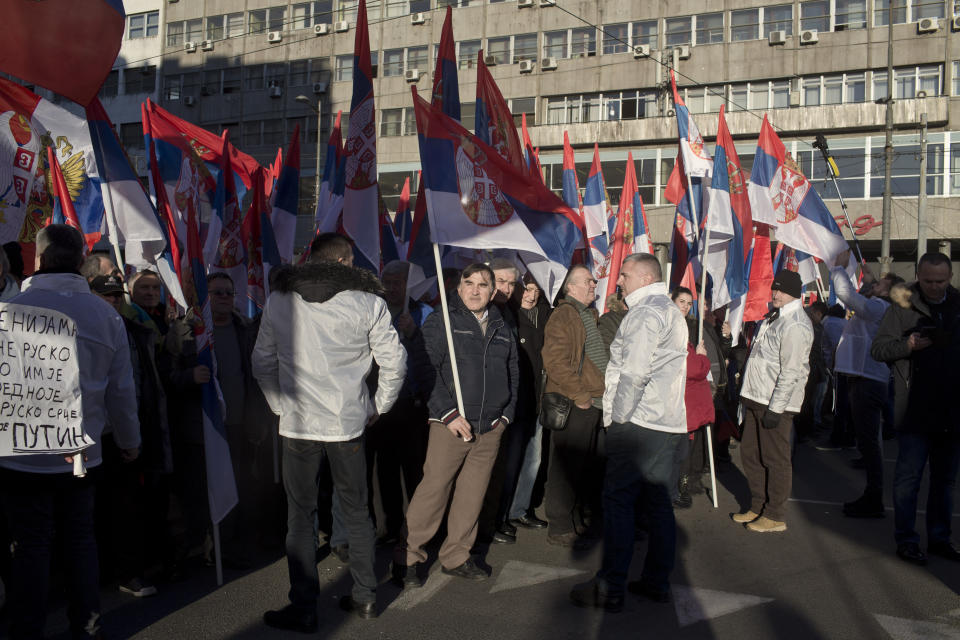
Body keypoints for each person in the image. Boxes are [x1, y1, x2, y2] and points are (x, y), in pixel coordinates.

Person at [0, 225, 140, 639]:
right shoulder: (105, 315)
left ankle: (28, 628)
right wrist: (130, 442)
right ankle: (86, 623)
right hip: (82, 454)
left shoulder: (8, 312)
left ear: (37, 259)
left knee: (31, 545)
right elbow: (122, 391)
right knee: (80, 539)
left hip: (20, 455)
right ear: (81, 260)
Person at [254, 260, 406, 629]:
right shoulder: (369, 302)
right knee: (357, 511)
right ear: (345, 265)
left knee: (301, 516)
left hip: (300, 424)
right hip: (346, 421)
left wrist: (279, 406)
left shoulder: (280, 300)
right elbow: (395, 362)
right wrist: (378, 406)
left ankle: (304, 606)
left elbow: (262, 360)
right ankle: (366, 596)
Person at [570, 253, 688, 611]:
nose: (617, 280)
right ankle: (656, 581)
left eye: (623, 274)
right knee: (658, 505)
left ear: (643, 276)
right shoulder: (668, 309)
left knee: (619, 503)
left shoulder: (645, 313)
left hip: (638, 422)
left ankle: (610, 586)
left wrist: (618, 419)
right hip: (665, 422)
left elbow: (634, 373)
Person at [394, 263, 518, 585]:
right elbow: (423, 366)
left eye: (482, 285)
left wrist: (505, 416)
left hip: (489, 428)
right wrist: (447, 413)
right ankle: (408, 557)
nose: (475, 290)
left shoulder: (501, 325)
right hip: (451, 425)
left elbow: (513, 374)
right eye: (469, 283)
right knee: (433, 492)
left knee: (472, 495)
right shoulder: (443, 320)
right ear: (459, 287)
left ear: (493, 292)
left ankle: (457, 556)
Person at [871, 252, 960, 565]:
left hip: (951, 411)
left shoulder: (957, 304)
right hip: (913, 411)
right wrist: (907, 347)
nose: (935, 287)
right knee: (908, 480)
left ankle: (940, 538)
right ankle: (907, 540)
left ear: (949, 278)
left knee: (945, 482)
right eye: (928, 281)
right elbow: (878, 350)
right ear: (918, 277)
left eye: (941, 281)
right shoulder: (902, 305)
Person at [90, 275, 171, 599]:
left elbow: (133, 388)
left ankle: (128, 571)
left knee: (126, 508)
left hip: (126, 434)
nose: (112, 301)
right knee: (93, 510)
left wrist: (132, 436)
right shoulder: (80, 330)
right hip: (89, 434)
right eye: (105, 296)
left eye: (115, 296)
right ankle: (97, 571)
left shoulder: (135, 333)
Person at [734, 270, 813, 533]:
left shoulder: (795, 324)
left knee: (775, 458)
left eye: (782, 290)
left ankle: (775, 513)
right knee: (751, 454)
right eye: (774, 289)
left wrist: (776, 408)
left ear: (795, 293)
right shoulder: (774, 317)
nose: (776, 294)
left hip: (774, 403)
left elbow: (790, 371)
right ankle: (758, 505)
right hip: (756, 397)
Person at [479, 260, 550, 544]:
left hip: (534, 400)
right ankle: (495, 518)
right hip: (508, 405)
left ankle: (516, 510)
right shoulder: (504, 314)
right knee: (504, 465)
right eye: (524, 288)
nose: (528, 294)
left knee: (530, 460)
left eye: (535, 289)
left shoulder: (541, 315)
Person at [828, 252, 902, 518]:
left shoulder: (879, 308)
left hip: (867, 380)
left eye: (880, 284)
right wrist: (868, 278)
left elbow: (848, 296)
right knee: (870, 441)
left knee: (869, 442)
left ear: (888, 292)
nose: (874, 284)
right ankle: (873, 495)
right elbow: (861, 295)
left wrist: (837, 268)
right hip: (865, 378)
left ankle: (873, 498)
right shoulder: (878, 305)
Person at [366, 261, 433, 546]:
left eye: (398, 282)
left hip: (412, 405)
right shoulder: (373, 310)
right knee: (385, 470)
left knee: (415, 469)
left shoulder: (424, 313)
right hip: (380, 403)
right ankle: (391, 526)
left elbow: (434, 357)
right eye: (388, 282)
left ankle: (418, 528)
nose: (392, 288)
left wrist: (414, 333)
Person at [541, 264, 607, 548]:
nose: (594, 285)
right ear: (570, 288)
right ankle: (558, 524)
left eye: (593, 281)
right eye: (587, 281)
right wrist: (580, 395)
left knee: (586, 467)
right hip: (576, 402)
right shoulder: (564, 315)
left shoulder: (588, 315)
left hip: (595, 402)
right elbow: (555, 361)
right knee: (566, 468)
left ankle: (576, 518)